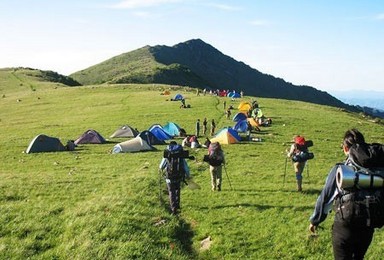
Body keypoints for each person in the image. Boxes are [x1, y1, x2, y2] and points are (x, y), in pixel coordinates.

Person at [309, 129, 380, 259]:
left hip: (345, 225)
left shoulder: (341, 169)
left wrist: (315, 220)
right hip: (368, 224)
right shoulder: (377, 170)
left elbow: (326, 197)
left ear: (346, 148)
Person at [159, 141, 190, 215]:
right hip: (178, 176)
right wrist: (188, 175)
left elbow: (161, 166)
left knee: (171, 191)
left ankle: (173, 208)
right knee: (177, 190)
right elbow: (185, 166)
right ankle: (178, 205)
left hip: (169, 177)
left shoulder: (167, 154)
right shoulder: (180, 154)